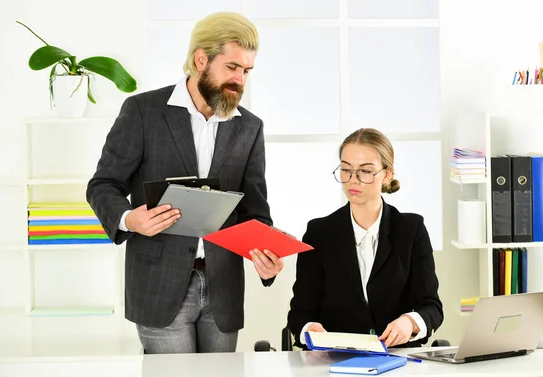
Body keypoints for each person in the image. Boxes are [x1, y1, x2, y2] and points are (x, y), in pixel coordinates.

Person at [87, 12, 284, 354]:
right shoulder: (143, 111)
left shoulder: (249, 127)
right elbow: (103, 184)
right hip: (158, 285)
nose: (240, 79)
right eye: (232, 67)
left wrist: (267, 255)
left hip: (223, 288)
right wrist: (128, 219)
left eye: (247, 71)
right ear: (201, 59)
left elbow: (255, 210)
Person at [287, 128, 443, 349]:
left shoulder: (411, 229)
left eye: (365, 171)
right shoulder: (318, 233)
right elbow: (299, 314)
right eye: (346, 170)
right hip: (333, 360)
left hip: (397, 359)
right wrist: (308, 330)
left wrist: (409, 322)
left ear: (387, 174)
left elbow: (431, 307)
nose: (353, 180)